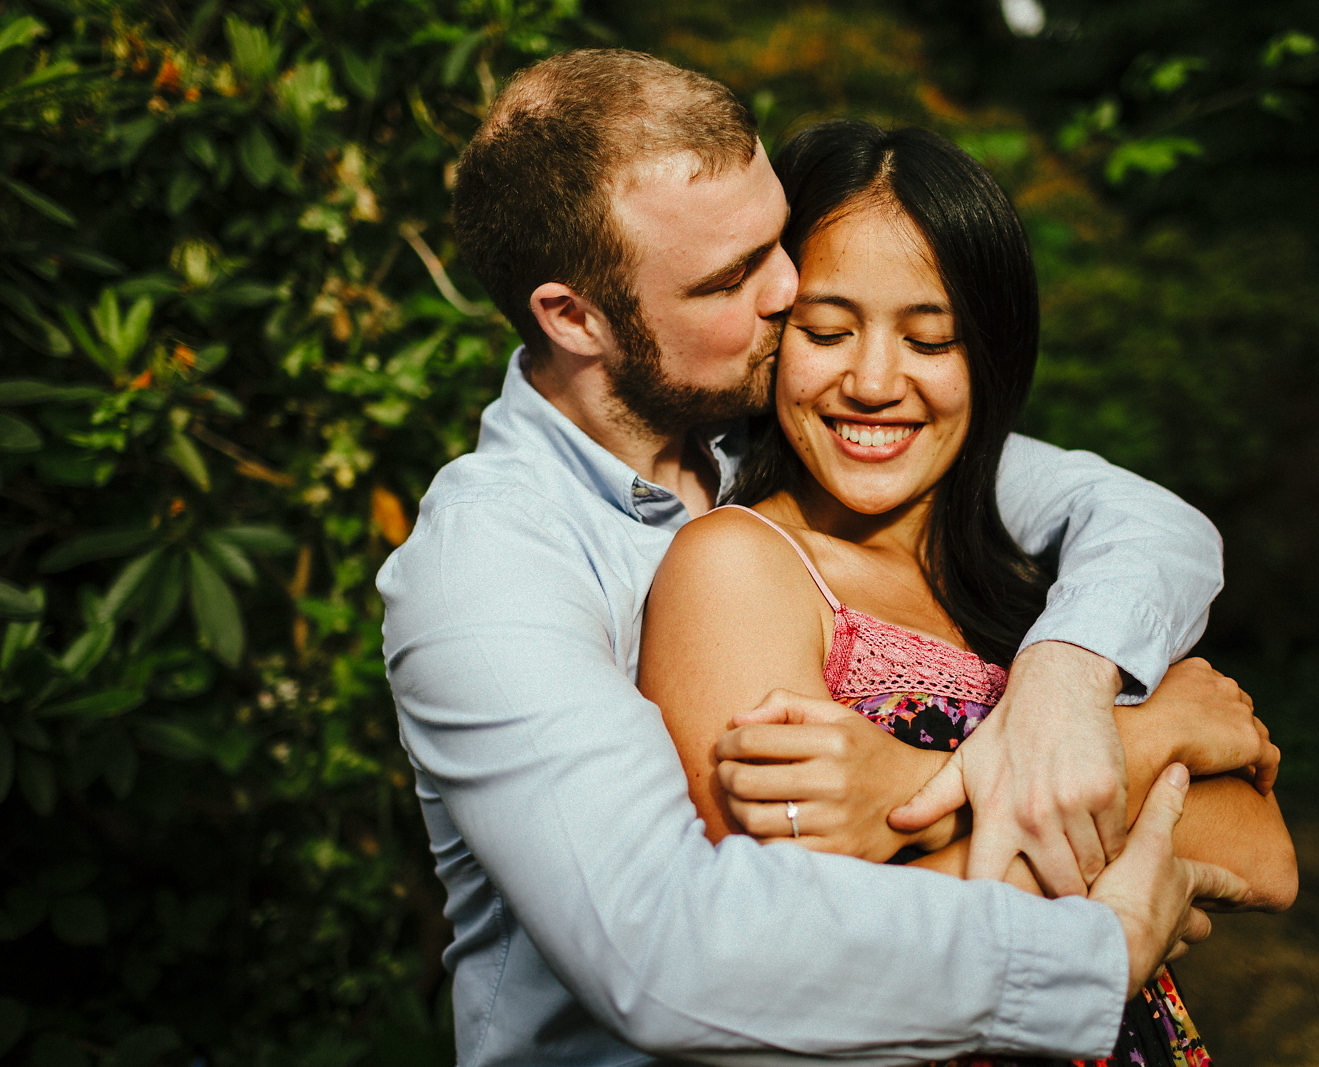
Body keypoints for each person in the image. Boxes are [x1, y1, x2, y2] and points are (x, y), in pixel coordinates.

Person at [379, 49, 1238, 1065]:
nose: (789, 288)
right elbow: (668, 951)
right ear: (576, 318)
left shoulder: (773, 425)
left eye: (772, 239)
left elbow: (1140, 519)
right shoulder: (485, 570)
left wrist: (1064, 684)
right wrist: (1093, 949)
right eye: (733, 275)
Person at [638, 120, 1295, 1067]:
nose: (872, 381)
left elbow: (1264, 852)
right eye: (826, 331)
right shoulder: (738, 564)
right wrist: (1152, 739)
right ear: (770, 336)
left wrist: (908, 794)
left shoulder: (1031, 581)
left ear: (989, 359)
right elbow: (789, 961)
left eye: (931, 339)